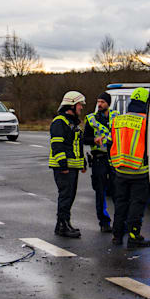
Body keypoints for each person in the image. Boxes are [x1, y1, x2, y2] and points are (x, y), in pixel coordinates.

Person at [109, 87, 150, 248]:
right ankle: (134, 236)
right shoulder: (146, 121)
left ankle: (117, 236)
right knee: (137, 204)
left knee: (120, 204)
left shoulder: (118, 120)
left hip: (120, 170)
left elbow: (111, 143)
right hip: (139, 171)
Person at [49, 91, 86, 238]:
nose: (81, 108)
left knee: (70, 196)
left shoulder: (72, 123)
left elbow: (77, 145)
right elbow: (57, 145)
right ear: (71, 105)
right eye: (79, 105)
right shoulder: (60, 122)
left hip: (73, 166)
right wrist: (63, 165)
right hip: (64, 168)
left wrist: (82, 162)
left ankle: (64, 223)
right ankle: (62, 226)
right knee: (65, 196)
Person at [83, 92, 119, 233]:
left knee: (118, 192)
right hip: (99, 158)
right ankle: (104, 222)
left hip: (114, 158)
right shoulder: (91, 119)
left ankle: (120, 222)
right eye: (98, 101)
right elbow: (84, 139)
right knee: (100, 191)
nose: (99, 104)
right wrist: (94, 140)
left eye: (102, 102)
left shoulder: (116, 117)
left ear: (108, 103)